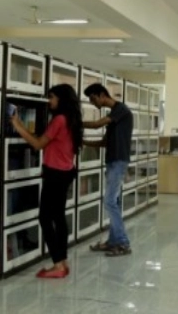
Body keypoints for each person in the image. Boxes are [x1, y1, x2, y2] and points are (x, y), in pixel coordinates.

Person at [10, 84, 82, 278]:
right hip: (67, 172)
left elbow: (37, 144)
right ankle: (63, 261)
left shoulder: (58, 119)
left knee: (45, 217)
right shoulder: (73, 119)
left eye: (52, 97)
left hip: (55, 174)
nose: (49, 101)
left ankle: (58, 264)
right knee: (58, 216)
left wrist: (18, 125)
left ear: (61, 99)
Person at [82, 83, 134, 257]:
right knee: (115, 203)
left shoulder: (121, 110)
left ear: (102, 95)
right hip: (112, 161)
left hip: (119, 162)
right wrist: (85, 143)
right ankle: (113, 241)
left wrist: (75, 123)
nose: (92, 103)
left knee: (109, 202)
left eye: (93, 99)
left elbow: (97, 125)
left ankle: (123, 243)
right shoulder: (113, 117)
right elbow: (104, 142)